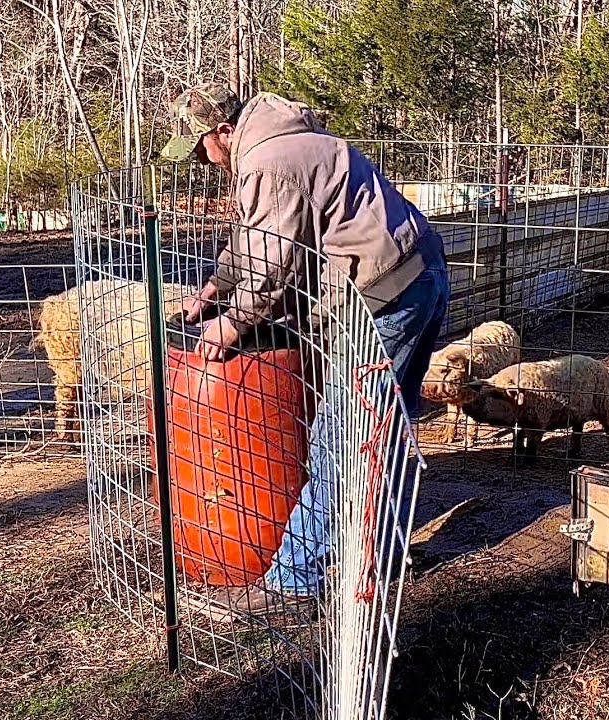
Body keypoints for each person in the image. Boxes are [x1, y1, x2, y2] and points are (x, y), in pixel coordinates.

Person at [158, 81, 450, 617]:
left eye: (200, 147)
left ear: (223, 130)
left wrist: (231, 324)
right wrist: (215, 287)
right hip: (419, 274)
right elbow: (257, 237)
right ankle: (380, 557)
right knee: (387, 431)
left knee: (343, 436)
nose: (200, 160)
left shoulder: (267, 162)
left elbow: (272, 263)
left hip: (383, 297)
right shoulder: (283, 143)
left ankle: (294, 579)